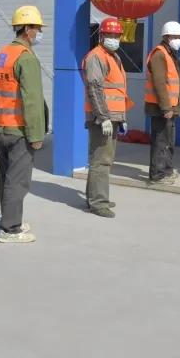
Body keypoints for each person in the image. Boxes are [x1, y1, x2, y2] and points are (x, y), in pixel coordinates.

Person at [0, 5, 46, 243]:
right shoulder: (26, 58)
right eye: (38, 28)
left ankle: (10, 218)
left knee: (6, 177)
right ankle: (10, 228)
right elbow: (32, 100)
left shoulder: (2, 55)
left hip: (2, 127)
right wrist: (36, 135)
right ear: (27, 29)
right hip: (20, 130)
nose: (40, 33)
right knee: (18, 180)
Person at [81, 17, 130, 218]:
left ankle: (95, 196)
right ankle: (98, 203)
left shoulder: (113, 57)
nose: (114, 38)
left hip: (112, 117)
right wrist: (103, 117)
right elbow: (95, 88)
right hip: (102, 119)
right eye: (110, 34)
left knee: (104, 159)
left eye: (117, 35)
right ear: (101, 36)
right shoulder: (96, 57)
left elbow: (117, 90)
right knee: (100, 160)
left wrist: (121, 117)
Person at [144, 21, 180, 185]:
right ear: (167, 37)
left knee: (168, 141)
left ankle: (166, 170)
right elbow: (159, 83)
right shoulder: (160, 54)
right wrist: (166, 107)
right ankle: (157, 175)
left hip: (169, 106)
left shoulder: (170, 54)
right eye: (177, 37)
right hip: (161, 107)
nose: (179, 40)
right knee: (161, 142)